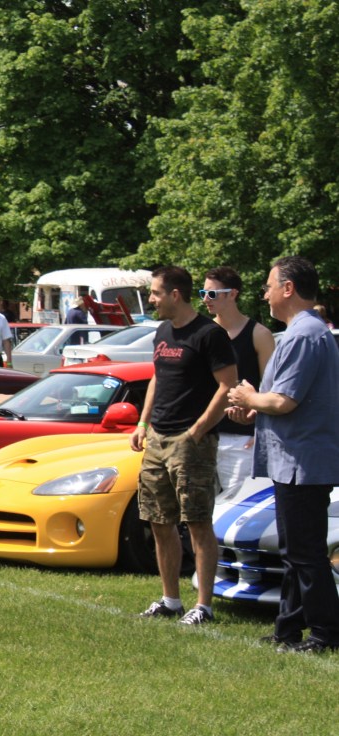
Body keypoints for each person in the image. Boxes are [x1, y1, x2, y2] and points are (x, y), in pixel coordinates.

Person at [227, 256, 339, 653]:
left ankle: (326, 634)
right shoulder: (300, 332)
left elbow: (286, 401)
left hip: (303, 464)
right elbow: (286, 399)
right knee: (295, 552)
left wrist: (249, 396)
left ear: (288, 289)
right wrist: (253, 407)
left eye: (269, 285)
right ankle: (287, 630)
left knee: (306, 554)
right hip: (294, 462)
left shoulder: (304, 335)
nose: (265, 293)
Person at [130, 265, 237, 626]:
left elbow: (228, 386)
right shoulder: (162, 331)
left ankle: (203, 606)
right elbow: (158, 378)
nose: (151, 300)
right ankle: (170, 599)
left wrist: (198, 429)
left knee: (197, 522)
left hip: (191, 441)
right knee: (159, 521)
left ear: (175, 294)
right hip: (158, 437)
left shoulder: (210, 334)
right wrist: (143, 423)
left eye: (156, 293)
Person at [202, 266, 274, 496]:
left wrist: (262, 434)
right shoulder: (203, 332)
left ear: (233, 294)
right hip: (204, 435)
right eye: (201, 293)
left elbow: (272, 388)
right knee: (200, 513)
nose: (205, 299)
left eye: (212, 293)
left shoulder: (259, 334)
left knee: (238, 510)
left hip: (242, 439)